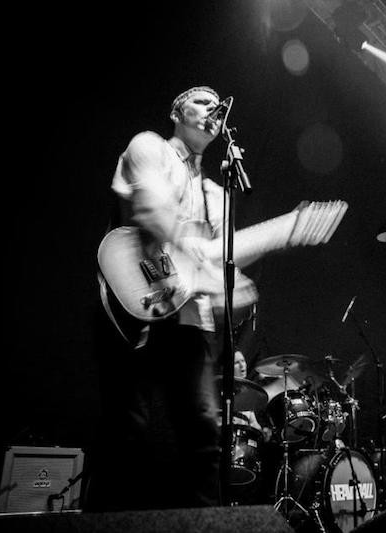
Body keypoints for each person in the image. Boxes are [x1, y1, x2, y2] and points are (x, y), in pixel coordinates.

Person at [88, 86, 258, 511]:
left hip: (188, 317)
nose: (212, 109)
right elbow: (151, 211)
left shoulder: (216, 194)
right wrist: (199, 259)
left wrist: (288, 231)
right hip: (132, 302)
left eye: (217, 106)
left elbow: (221, 254)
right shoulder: (149, 147)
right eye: (202, 101)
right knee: (126, 429)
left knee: (202, 434)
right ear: (176, 112)